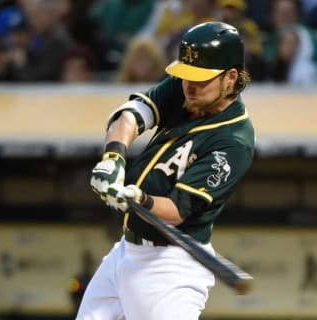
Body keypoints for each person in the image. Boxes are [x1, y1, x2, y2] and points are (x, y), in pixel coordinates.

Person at [78, 21, 255, 319]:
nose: (190, 85)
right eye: (186, 76)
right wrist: (113, 160)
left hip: (169, 265)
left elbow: (177, 209)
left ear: (231, 78)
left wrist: (137, 198)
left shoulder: (234, 142)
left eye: (200, 79)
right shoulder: (187, 89)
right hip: (126, 250)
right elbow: (130, 116)